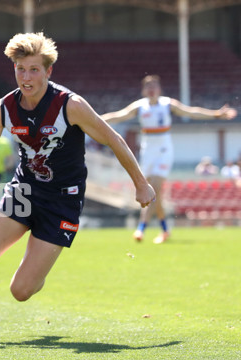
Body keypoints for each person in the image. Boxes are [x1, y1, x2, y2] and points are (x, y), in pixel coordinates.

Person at [0, 32, 156, 342]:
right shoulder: (4, 107)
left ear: (48, 72)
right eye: (20, 69)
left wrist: (141, 184)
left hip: (63, 202)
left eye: (34, 69)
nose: (26, 77)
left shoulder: (71, 105)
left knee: (21, 291)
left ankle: (38, 269)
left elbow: (114, 140)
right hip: (23, 192)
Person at [101, 75, 237, 244]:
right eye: (148, 86)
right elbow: (118, 115)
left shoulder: (167, 104)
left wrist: (216, 114)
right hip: (147, 150)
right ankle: (164, 229)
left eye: (154, 86)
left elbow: (191, 111)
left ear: (159, 89)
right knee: (151, 191)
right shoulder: (140, 106)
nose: (151, 89)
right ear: (144, 90)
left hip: (163, 150)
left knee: (155, 188)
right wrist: (93, 118)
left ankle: (141, 228)